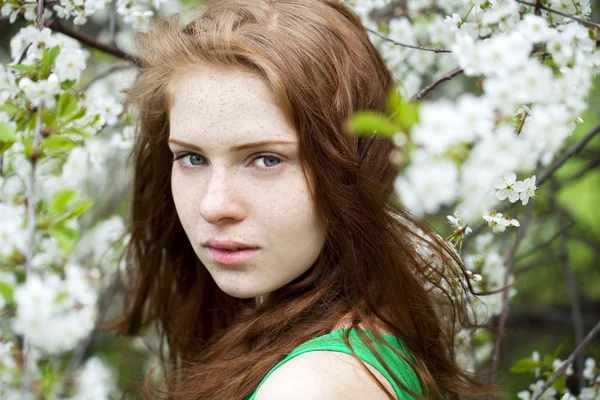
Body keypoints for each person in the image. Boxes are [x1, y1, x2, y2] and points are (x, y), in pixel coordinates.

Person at [104, 0, 505, 399]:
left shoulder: (309, 385)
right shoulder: (368, 329)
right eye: (192, 158)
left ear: (353, 165)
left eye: (266, 159)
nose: (214, 205)